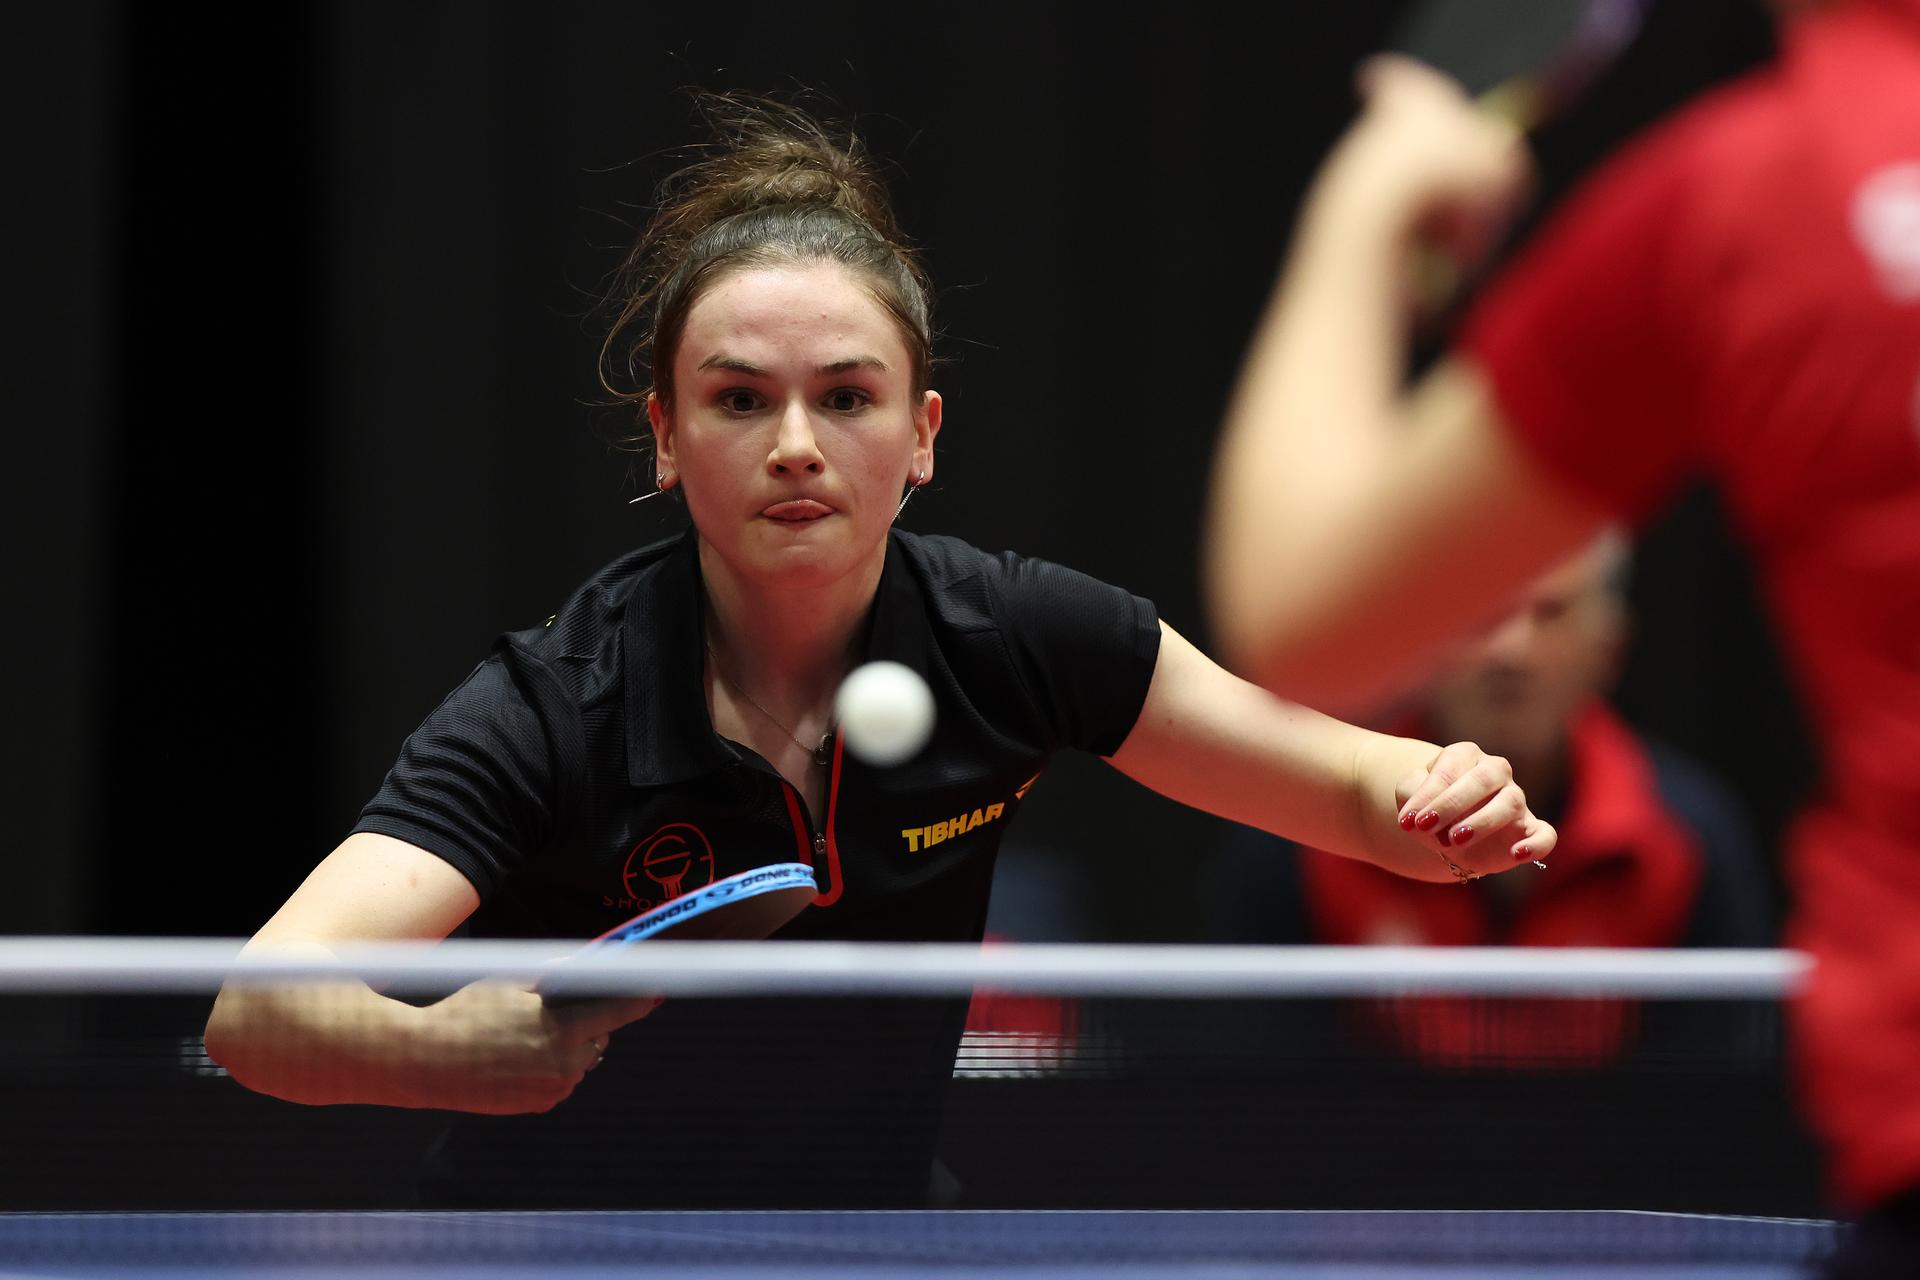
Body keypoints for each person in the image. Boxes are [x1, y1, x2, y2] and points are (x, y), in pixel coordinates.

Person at [202, 97, 1556, 1209]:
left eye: (847, 396)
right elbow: (255, 1016)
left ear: (922, 434)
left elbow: (1342, 786)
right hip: (555, 1245)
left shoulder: (1019, 638)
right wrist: (438, 1051)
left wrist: (1442, 793)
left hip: (872, 1235)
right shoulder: (556, 704)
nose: (796, 441)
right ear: (666, 435)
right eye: (739, 399)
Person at [1203, 2, 1920, 1271]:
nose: (1516, 645)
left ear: (1613, 637)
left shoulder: (1750, 193)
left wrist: (1372, 202)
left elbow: (1297, 620)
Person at [1206, 533, 1773, 1069]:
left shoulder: (1690, 836)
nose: (1509, 650)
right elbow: (1257, 1096)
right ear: (1419, 639)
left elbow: (1720, 1096)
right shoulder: (1302, 822)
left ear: (1609, 648)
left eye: (1551, 612)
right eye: (1481, 611)